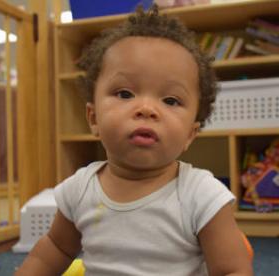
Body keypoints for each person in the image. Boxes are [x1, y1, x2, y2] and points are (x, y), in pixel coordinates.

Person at [16, 5, 253, 276]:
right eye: (125, 93)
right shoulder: (80, 189)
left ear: (190, 134)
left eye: (170, 100)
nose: (147, 109)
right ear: (93, 118)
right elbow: (55, 250)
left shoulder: (201, 194)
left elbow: (232, 270)